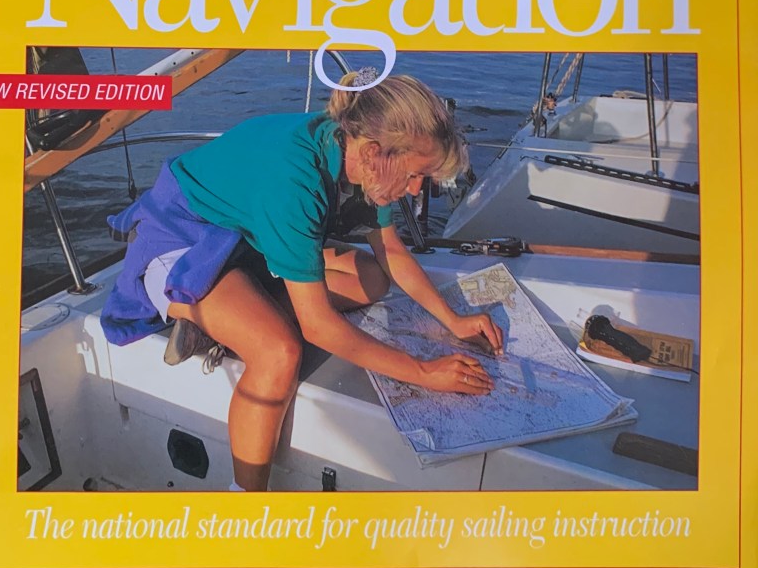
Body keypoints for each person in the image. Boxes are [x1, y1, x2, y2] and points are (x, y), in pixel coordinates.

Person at [101, 71, 503, 492]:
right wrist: (423, 372)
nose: (417, 189)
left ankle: (236, 315)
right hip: (181, 240)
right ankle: (245, 504)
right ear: (373, 152)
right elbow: (318, 327)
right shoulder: (296, 180)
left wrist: (453, 320)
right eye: (415, 175)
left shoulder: (362, 157)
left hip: (242, 241)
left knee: (370, 279)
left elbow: (392, 252)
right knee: (278, 352)